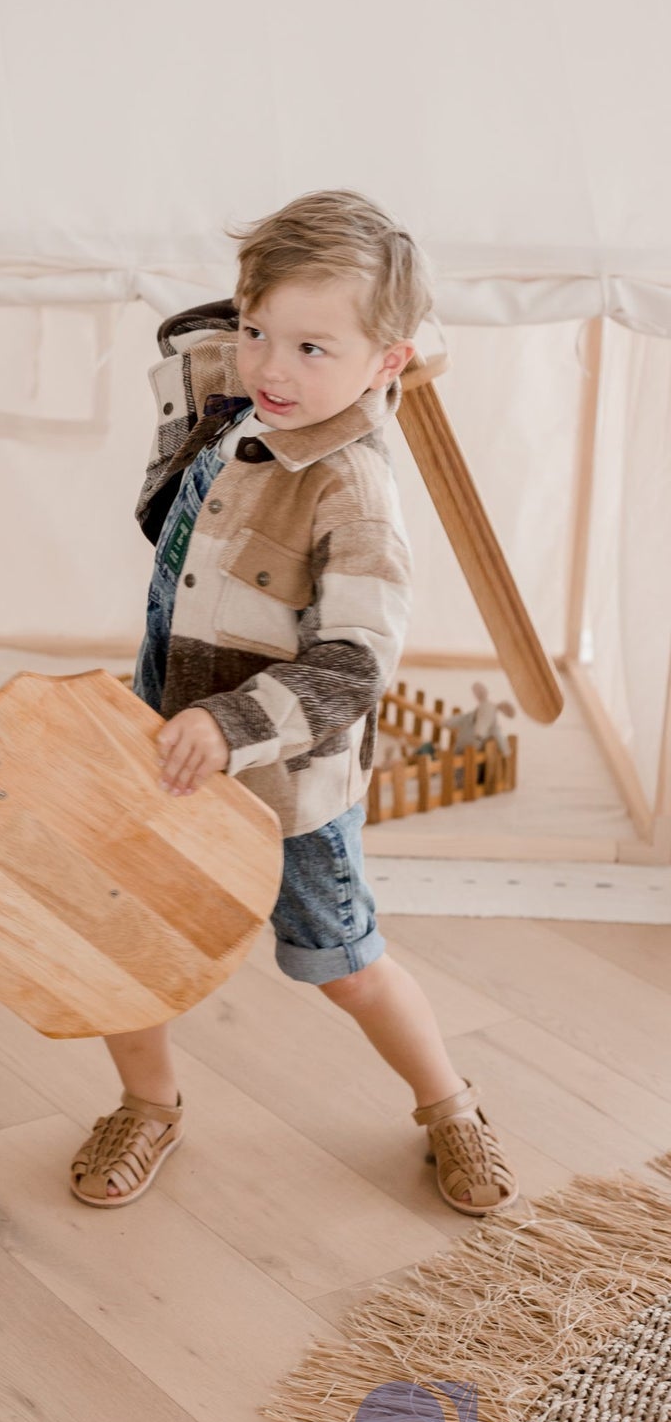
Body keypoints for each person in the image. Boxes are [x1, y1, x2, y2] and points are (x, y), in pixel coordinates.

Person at [68, 189, 520, 1217]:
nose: (273, 366)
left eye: (314, 349)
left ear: (388, 361)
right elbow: (171, 516)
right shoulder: (236, 417)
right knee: (124, 943)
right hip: (164, 761)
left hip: (287, 793)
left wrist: (231, 728)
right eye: (259, 331)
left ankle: (449, 1103)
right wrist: (259, 342)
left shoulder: (354, 494)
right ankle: (149, 1102)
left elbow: (354, 664)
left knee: (345, 964)